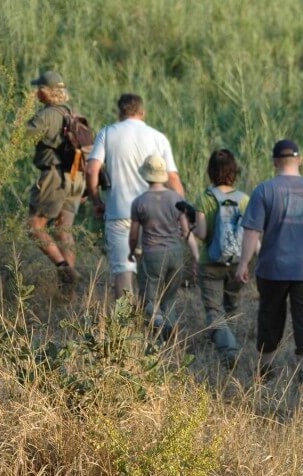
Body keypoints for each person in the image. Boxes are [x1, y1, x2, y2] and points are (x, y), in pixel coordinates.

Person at [235, 139, 303, 384]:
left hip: (272, 268)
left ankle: (266, 371)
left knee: (269, 317)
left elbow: (251, 232)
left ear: (274, 162)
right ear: (299, 160)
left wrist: (244, 263)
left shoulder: (264, 190)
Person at [85, 93, 185, 299]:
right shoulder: (158, 137)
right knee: (151, 270)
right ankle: (153, 317)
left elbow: (91, 170)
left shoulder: (108, 133)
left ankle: (125, 326)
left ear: (120, 112)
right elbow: (173, 179)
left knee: (123, 270)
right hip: (153, 215)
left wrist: (97, 201)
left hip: (119, 212)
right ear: (142, 112)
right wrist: (181, 214)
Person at [26, 70, 85, 290]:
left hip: (54, 176)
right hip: (77, 176)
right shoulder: (73, 112)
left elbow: (21, 135)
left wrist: (23, 113)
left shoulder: (47, 114)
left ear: (45, 92)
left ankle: (65, 269)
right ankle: (68, 291)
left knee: (35, 226)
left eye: (38, 89)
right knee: (64, 231)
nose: (35, 93)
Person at [191, 149, 250, 367]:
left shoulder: (205, 198)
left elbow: (202, 233)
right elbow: (251, 233)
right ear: (234, 171)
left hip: (211, 261)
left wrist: (192, 228)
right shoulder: (244, 200)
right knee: (231, 306)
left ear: (211, 171)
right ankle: (228, 344)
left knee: (214, 309)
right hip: (237, 262)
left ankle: (228, 351)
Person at [127, 155, 188, 335]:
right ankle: (169, 326)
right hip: (176, 253)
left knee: (150, 299)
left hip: (153, 254)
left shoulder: (140, 201)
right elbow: (184, 230)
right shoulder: (176, 197)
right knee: (169, 298)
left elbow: (133, 235)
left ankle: (159, 324)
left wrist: (131, 252)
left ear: (146, 176)